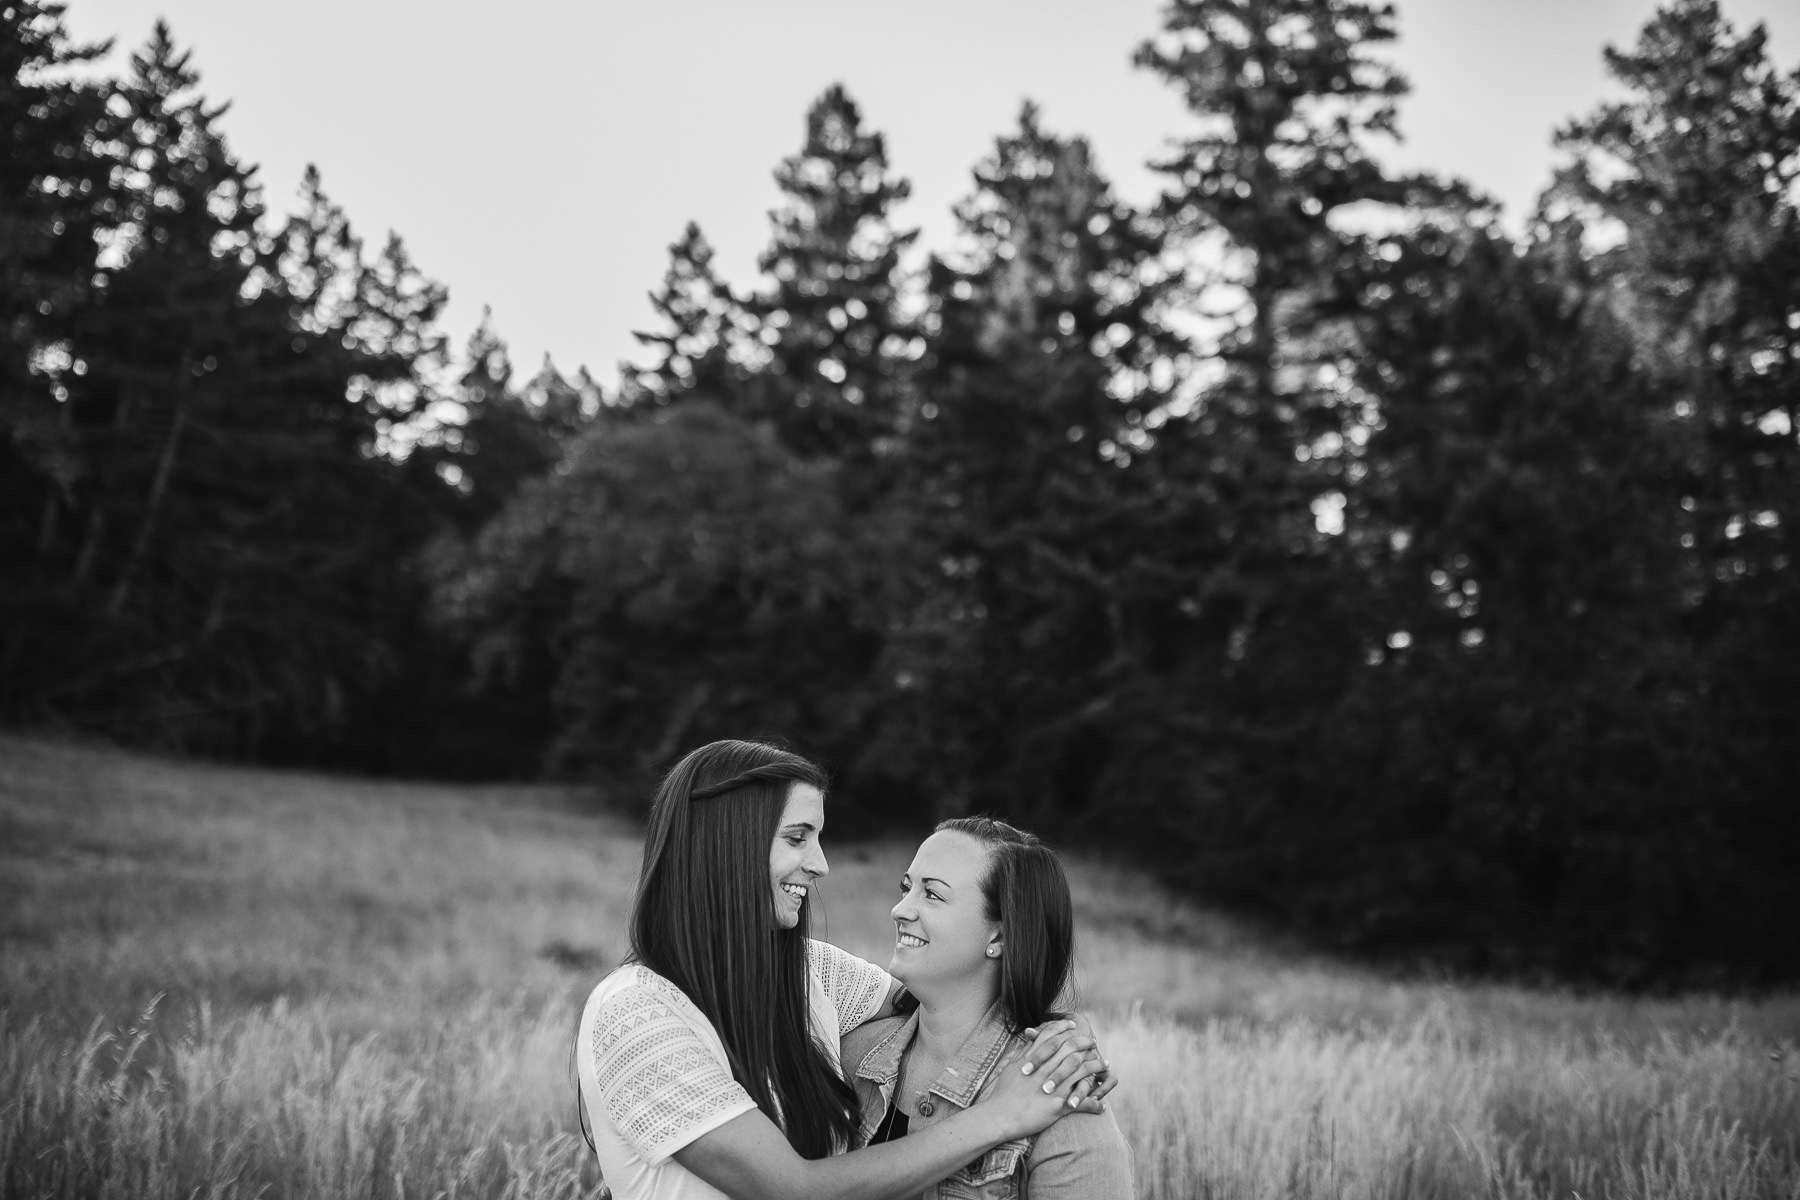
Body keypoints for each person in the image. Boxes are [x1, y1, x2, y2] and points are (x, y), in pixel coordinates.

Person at [575, 740, 1113, 1200]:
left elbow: (942, 999)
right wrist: (1002, 1117)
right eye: (796, 837)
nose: (821, 863)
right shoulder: (637, 1010)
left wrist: (1060, 1037)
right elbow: (794, 1191)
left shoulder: (813, 974)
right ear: (727, 845)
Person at [841, 817, 1135, 1199]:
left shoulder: (1060, 1098)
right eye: (907, 887)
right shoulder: (851, 1056)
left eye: (932, 894)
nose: (900, 909)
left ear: (999, 934)